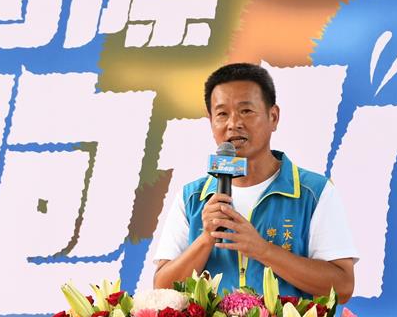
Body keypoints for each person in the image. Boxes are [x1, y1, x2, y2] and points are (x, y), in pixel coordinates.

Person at [153, 63, 357, 302]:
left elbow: (342, 287)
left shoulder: (314, 192)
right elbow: (162, 289)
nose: (233, 123)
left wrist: (262, 250)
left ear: (273, 117)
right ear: (211, 122)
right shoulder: (191, 197)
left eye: (246, 111)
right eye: (222, 114)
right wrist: (206, 238)